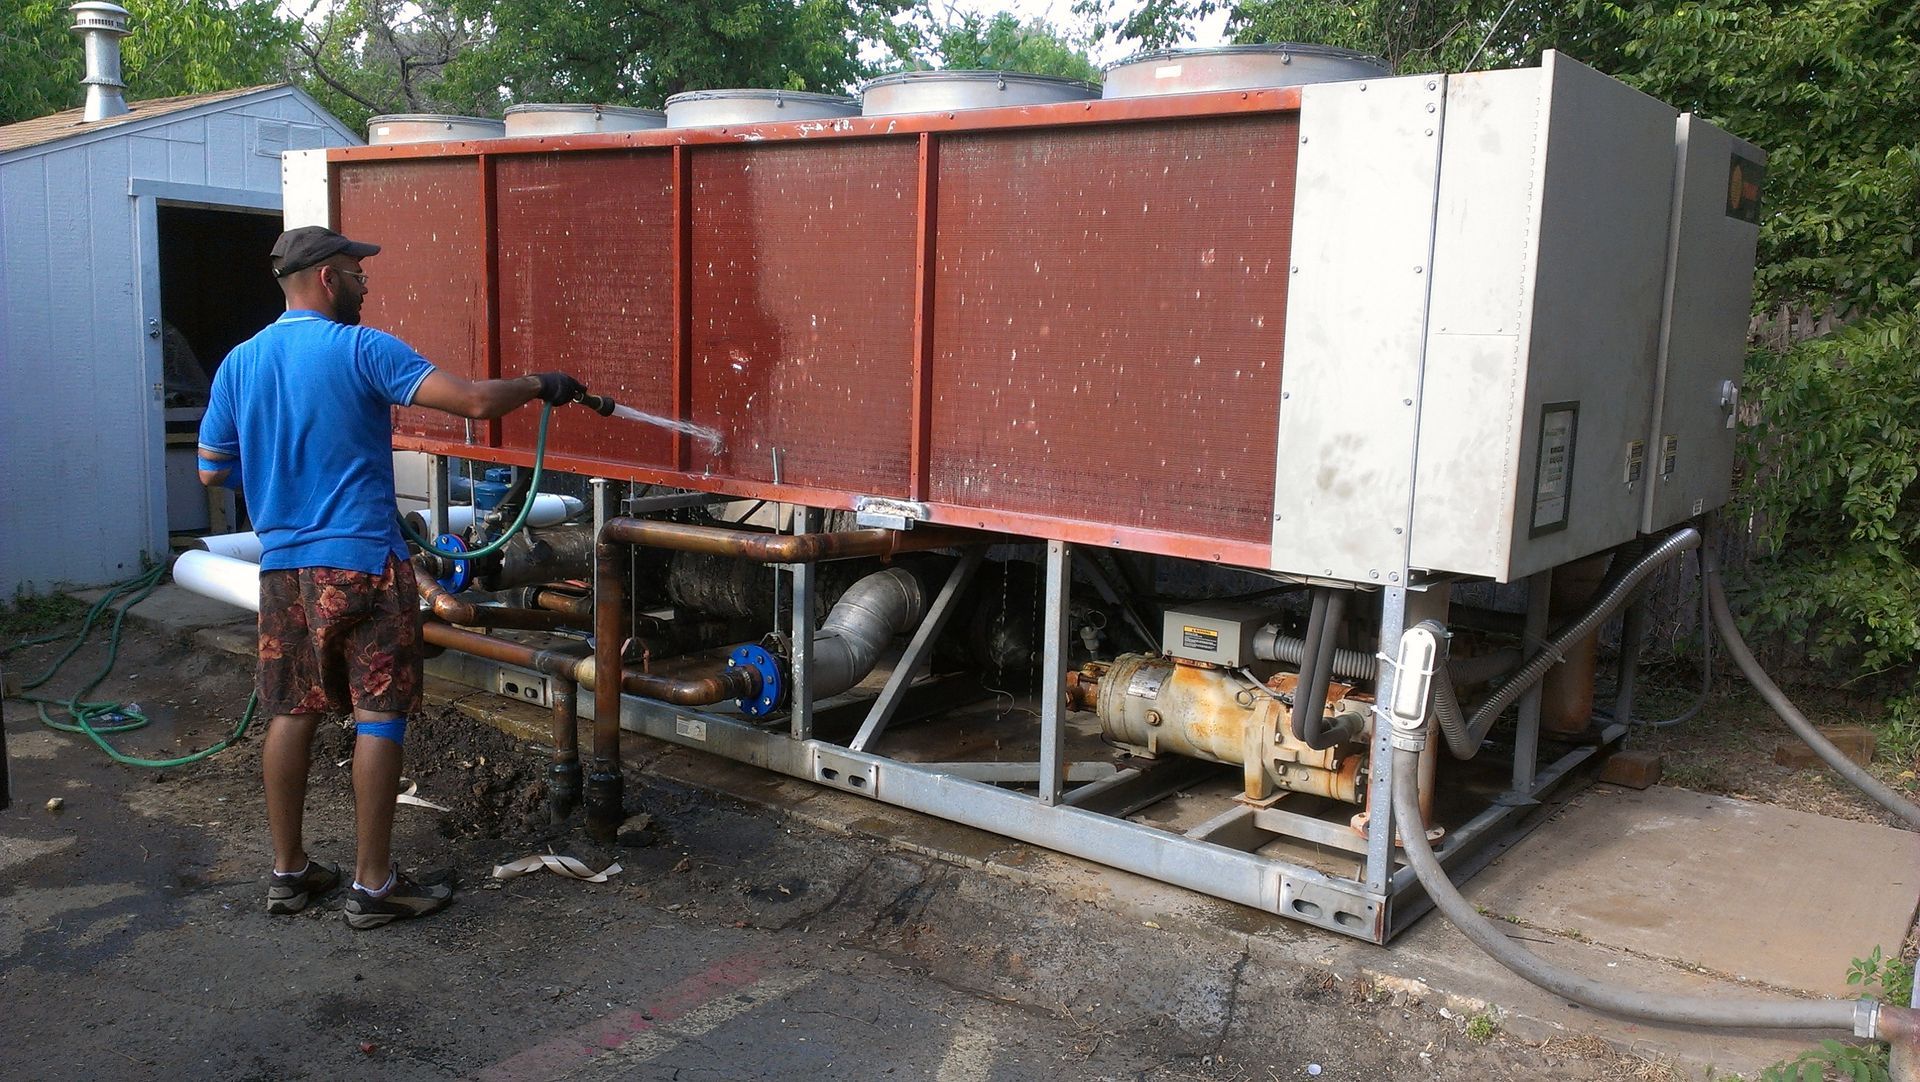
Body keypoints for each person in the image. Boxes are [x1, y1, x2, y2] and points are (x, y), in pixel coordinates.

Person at [198, 225, 589, 930]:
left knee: (291, 712)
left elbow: (211, 468)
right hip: (364, 564)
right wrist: (541, 384)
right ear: (325, 279)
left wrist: (278, 472)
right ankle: (374, 886)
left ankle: (289, 873)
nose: (365, 284)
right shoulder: (362, 349)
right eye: (356, 272)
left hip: (283, 568)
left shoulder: (239, 362)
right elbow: (472, 402)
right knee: (381, 716)